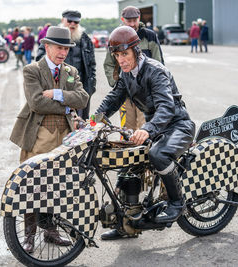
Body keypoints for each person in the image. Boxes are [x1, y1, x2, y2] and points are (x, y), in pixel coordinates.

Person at [96, 26, 195, 240]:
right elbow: (113, 98)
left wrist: (147, 129)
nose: (121, 59)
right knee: (127, 161)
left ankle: (177, 202)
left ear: (135, 51)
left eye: (124, 54)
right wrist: (94, 120)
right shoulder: (126, 73)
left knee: (158, 154)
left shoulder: (155, 70)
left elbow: (167, 108)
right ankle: (127, 224)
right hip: (157, 128)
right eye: (117, 55)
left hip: (178, 125)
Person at [10, 26, 89, 253]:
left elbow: (82, 99)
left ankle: (51, 231)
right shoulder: (32, 70)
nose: (62, 52)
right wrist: (67, 107)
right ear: (47, 46)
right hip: (38, 136)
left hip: (63, 138)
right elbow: (36, 103)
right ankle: (29, 236)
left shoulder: (71, 71)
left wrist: (58, 94)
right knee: (32, 187)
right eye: (58, 47)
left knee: (57, 186)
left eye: (66, 48)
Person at [104, 5, 164, 132]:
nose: (132, 24)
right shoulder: (115, 37)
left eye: (134, 20)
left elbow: (159, 62)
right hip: (126, 92)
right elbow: (108, 64)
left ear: (139, 18)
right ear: (122, 19)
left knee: (145, 128)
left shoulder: (150, 35)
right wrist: (117, 83)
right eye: (128, 21)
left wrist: (153, 86)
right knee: (127, 128)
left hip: (146, 92)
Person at [36, 10, 96, 120]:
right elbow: (39, 59)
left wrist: (91, 87)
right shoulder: (51, 37)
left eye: (76, 22)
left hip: (80, 87)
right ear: (62, 20)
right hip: (57, 87)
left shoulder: (85, 39)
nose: (72, 24)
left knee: (80, 123)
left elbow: (92, 65)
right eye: (69, 21)